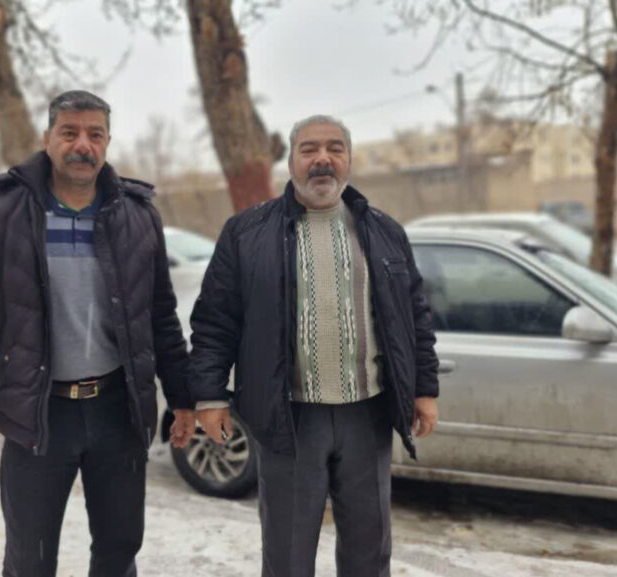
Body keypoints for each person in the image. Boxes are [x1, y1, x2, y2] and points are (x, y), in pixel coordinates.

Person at [0, 90, 195, 577]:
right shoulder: (1, 213)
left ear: (107, 142)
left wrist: (183, 397)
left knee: (120, 550)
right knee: (30, 559)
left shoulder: (137, 215)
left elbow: (160, 317)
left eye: (95, 134)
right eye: (70, 132)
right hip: (37, 415)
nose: (83, 145)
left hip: (118, 411)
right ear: (47, 138)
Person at [188, 115, 440, 577]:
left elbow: (414, 317)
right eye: (309, 149)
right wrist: (209, 396)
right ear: (291, 161)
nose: (322, 159)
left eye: (335, 148)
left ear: (348, 160)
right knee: (287, 555)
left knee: (369, 553)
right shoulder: (246, 233)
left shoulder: (385, 232)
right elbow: (214, 321)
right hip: (288, 419)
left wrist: (424, 388)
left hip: (368, 414)